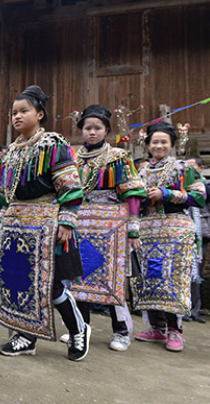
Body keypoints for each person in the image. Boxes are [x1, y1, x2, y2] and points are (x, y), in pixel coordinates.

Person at [0, 85, 90, 361]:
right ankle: (26, 336)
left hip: (48, 225)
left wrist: (68, 221)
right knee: (19, 281)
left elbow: (70, 186)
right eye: (14, 112)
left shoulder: (54, 144)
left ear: (40, 114)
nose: (17, 116)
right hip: (15, 225)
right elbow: (2, 194)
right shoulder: (11, 151)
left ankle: (79, 329)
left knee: (53, 286)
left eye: (24, 111)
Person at [64, 105, 146, 352]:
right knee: (79, 275)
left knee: (113, 277)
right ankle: (81, 328)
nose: (92, 132)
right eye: (87, 128)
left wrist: (133, 228)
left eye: (97, 128)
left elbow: (131, 193)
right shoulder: (73, 159)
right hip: (80, 222)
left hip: (112, 225)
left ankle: (121, 330)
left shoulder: (118, 157)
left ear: (106, 130)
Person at [133, 121, 206, 352]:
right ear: (148, 145)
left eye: (164, 142)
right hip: (148, 229)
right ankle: (156, 327)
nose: (159, 145)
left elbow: (199, 197)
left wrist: (166, 193)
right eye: (155, 142)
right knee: (150, 276)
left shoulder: (184, 168)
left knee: (174, 279)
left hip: (175, 229)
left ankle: (176, 330)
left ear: (172, 144)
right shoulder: (141, 172)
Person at [184, 156, 210, 323]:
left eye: (192, 166)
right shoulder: (180, 184)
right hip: (182, 232)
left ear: (201, 168)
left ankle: (195, 310)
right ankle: (183, 309)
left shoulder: (205, 185)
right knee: (182, 273)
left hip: (200, 236)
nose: (188, 169)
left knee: (196, 274)